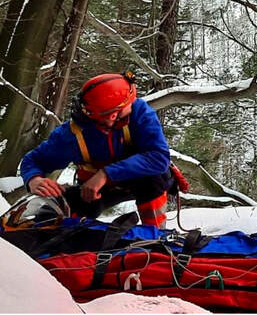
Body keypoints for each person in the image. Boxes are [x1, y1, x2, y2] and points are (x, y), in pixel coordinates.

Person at [19, 72, 173, 228]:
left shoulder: (139, 112)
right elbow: (33, 160)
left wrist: (105, 173)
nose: (133, 105)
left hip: (141, 181)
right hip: (94, 192)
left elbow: (159, 157)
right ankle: (66, 239)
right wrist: (34, 179)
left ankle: (156, 235)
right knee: (58, 207)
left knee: (154, 178)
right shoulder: (71, 136)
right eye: (128, 105)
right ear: (113, 115)